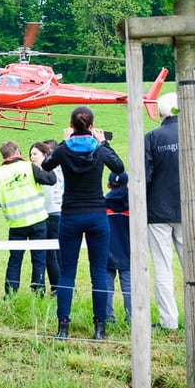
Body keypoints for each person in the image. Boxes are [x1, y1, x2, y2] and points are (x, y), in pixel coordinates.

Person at [41, 106, 124, 340]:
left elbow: (46, 165)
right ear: (91, 125)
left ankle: (63, 327)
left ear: (72, 124)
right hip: (97, 214)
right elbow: (118, 167)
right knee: (98, 271)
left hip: (70, 216)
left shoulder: (64, 150)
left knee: (67, 272)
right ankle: (99, 328)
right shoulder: (99, 150)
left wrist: (63, 142)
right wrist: (103, 143)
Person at [145, 92, 195, 331]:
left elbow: (143, 178)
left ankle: (168, 321)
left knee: (163, 268)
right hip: (190, 211)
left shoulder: (152, 138)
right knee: (194, 266)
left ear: (161, 112)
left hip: (157, 214)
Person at [0, 140, 56, 296]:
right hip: (37, 219)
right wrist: (46, 164)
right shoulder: (28, 167)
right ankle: (38, 292)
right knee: (39, 259)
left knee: (15, 260)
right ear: (17, 152)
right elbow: (51, 179)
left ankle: (11, 294)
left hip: (16, 223)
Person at [34, 140, 63, 295]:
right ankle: (58, 287)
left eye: (35, 154)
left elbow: (49, 195)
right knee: (55, 255)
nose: (32, 157)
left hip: (50, 213)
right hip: (57, 212)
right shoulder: (57, 168)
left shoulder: (47, 170)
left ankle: (57, 288)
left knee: (50, 255)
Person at [105, 171, 131, 324]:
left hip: (106, 251)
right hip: (128, 251)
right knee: (129, 286)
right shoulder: (134, 204)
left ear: (109, 184)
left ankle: (108, 318)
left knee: (107, 287)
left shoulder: (103, 203)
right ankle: (132, 318)